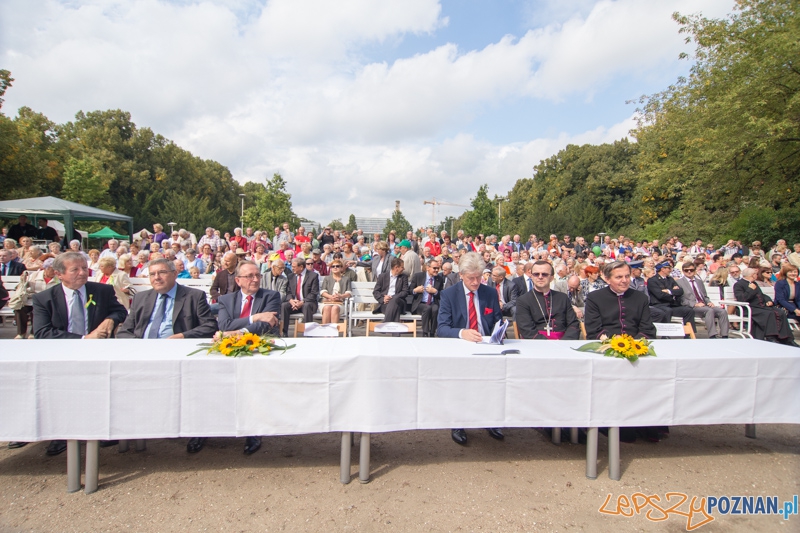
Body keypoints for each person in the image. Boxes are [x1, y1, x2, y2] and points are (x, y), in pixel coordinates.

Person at [31, 252, 128, 456]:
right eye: (75, 269)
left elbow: (120, 311)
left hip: (99, 353)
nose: (82, 273)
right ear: (59, 274)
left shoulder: (101, 290)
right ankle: (61, 434)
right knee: (63, 393)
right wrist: (84, 339)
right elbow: (42, 332)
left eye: (84, 268)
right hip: (61, 354)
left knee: (100, 391)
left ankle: (102, 430)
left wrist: (111, 319)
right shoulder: (44, 299)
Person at [437, 252, 504, 445]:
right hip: (461, 347)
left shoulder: (489, 293)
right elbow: (442, 328)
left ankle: (491, 419)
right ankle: (458, 422)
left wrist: (498, 333)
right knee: (461, 383)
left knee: (494, 382)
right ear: (461, 275)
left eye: (479, 277)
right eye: (471, 278)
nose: (475, 282)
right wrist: (462, 333)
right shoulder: (449, 294)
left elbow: (497, 321)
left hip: (487, 345)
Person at [117, 258, 217, 339]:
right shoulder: (140, 298)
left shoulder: (194, 297)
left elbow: (210, 326)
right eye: (152, 274)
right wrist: (139, 345)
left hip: (177, 350)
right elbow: (124, 331)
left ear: (175, 274)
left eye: (162, 272)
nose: (157, 277)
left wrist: (183, 336)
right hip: (142, 349)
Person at [584, 261, 657, 340]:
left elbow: (647, 328)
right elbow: (593, 329)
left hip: (636, 343)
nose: (624, 280)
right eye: (619, 277)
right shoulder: (594, 298)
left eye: (627, 276)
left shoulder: (641, 298)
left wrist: (633, 343)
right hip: (605, 343)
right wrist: (615, 340)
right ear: (607, 279)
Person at [515, 261, 580, 340]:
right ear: (531, 276)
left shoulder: (563, 298)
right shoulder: (523, 300)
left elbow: (573, 324)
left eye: (544, 274)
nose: (540, 277)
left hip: (563, 342)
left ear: (552, 277)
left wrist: (565, 342)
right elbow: (527, 330)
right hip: (536, 343)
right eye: (536, 274)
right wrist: (549, 344)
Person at [734, 268, 797, 346]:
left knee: (780, 312)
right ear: (752, 275)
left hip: (760, 306)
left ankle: (787, 338)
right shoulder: (738, 284)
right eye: (756, 274)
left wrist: (768, 300)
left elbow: (761, 295)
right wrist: (750, 289)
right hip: (748, 308)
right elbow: (742, 299)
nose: (757, 275)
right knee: (769, 313)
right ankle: (770, 337)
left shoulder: (754, 283)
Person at [676, 262, 729, 338]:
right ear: (683, 271)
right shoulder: (679, 282)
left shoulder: (699, 281)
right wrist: (695, 304)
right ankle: (712, 335)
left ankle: (725, 335)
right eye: (686, 270)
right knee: (709, 311)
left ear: (695, 270)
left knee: (722, 311)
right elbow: (681, 299)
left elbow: (704, 296)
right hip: (692, 307)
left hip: (704, 305)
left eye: (691, 270)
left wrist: (709, 302)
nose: (689, 272)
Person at [647, 261, 696, 335]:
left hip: (672, 305)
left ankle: (689, 334)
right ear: (663, 269)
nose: (670, 270)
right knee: (667, 311)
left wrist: (668, 291)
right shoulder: (652, 280)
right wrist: (673, 292)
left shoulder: (670, 279)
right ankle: (666, 335)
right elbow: (659, 295)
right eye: (668, 268)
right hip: (659, 305)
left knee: (689, 311)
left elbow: (680, 291)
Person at [280, 257, 319, 336]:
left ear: (301, 267)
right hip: (294, 303)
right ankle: (283, 333)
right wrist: (291, 301)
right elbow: (288, 292)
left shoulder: (313, 276)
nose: (292, 268)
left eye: (294, 267)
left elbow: (314, 293)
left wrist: (302, 302)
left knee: (306, 306)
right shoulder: (291, 276)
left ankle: (309, 333)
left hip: (308, 302)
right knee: (284, 306)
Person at [408, 259, 443, 337]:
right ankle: (425, 332)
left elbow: (442, 294)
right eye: (434, 268)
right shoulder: (418, 276)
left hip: (433, 303)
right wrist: (415, 290)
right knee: (427, 308)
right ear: (428, 268)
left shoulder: (439, 279)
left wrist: (435, 292)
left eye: (438, 268)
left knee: (435, 309)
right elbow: (410, 290)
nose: (436, 270)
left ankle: (432, 332)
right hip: (420, 303)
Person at [372, 258, 409, 323]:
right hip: (385, 303)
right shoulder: (382, 276)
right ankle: (394, 328)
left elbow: (405, 292)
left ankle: (385, 324)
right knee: (394, 308)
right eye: (402, 267)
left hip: (399, 302)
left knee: (394, 301)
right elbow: (376, 291)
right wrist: (383, 299)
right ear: (396, 267)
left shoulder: (404, 277)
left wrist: (393, 297)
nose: (404, 269)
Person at [320, 259, 352, 325]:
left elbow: (349, 293)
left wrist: (340, 296)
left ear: (341, 268)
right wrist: (330, 297)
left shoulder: (346, 279)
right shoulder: (327, 278)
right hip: (327, 302)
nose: (335, 268)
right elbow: (323, 292)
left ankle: (333, 330)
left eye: (337, 266)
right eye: (333, 266)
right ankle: (324, 330)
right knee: (327, 307)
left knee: (335, 308)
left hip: (340, 303)